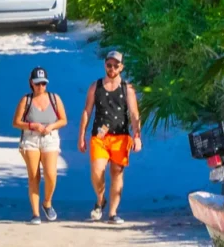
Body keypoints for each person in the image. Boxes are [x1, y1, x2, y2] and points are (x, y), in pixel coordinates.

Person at [77, 50, 141, 224]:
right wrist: (81, 134)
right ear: (105, 65)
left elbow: (134, 113)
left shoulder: (127, 88)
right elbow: (87, 111)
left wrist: (137, 135)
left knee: (117, 174)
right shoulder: (95, 86)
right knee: (97, 171)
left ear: (121, 67)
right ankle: (100, 199)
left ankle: (112, 213)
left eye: (115, 65)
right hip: (99, 136)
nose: (112, 68)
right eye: (109, 65)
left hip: (120, 136)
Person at [12, 66, 67, 224]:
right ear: (31, 83)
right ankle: (35, 213)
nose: (41, 87)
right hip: (31, 139)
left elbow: (63, 119)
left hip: (49, 137)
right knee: (34, 176)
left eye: (43, 83)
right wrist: (32, 126)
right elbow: (16, 122)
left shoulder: (54, 98)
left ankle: (47, 202)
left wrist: (51, 126)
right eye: (37, 83)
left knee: (51, 174)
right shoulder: (26, 100)